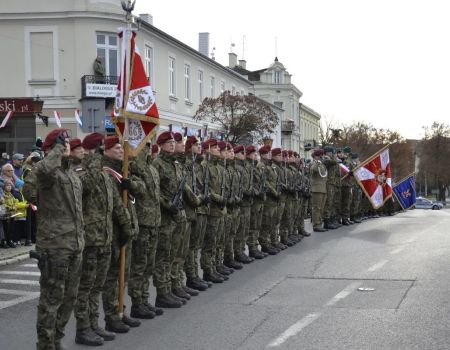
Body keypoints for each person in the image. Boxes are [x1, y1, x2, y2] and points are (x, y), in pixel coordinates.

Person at [23, 128, 84, 350]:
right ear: (50, 149)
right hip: (55, 246)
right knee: (51, 301)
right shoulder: (48, 172)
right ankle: (45, 345)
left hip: (74, 244)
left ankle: (56, 340)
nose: (66, 145)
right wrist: (56, 148)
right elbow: (40, 175)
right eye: (62, 142)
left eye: (66, 142)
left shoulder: (71, 173)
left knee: (69, 299)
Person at [101, 136, 141, 332]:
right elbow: (114, 206)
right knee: (112, 277)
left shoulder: (123, 168)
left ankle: (120, 311)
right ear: (106, 150)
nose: (120, 150)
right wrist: (124, 228)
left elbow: (140, 189)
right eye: (116, 147)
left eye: (120, 147)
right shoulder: (105, 172)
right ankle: (111, 316)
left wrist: (130, 184)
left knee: (123, 275)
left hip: (127, 228)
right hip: (115, 230)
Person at [128, 142, 164, 319]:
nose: (148, 149)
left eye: (149, 146)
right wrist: (138, 153)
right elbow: (136, 171)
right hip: (143, 222)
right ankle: (136, 303)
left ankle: (144, 299)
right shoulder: (136, 166)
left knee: (149, 265)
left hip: (154, 221)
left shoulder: (152, 168)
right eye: (144, 146)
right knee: (139, 265)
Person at [151, 131, 186, 307]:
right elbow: (155, 191)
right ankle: (162, 293)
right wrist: (167, 204)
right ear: (161, 144)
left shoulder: (175, 164)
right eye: (169, 142)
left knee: (173, 253)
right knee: (163, 256)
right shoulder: (157, 164)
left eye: (173, 142)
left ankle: (171, 287)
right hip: (165, 216)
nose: (172, 145)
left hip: (176, 215)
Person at [310, 149, 328, 232]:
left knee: (321, 208)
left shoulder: (322, 165)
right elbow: (313, 170)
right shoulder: (313, 163)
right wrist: (317, 161)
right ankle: (316, 225)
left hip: (323, 189)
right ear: (318, 156)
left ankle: (320, 223)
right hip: (317, 189)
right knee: (317, 208)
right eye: (321, 155)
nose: (323, 157)